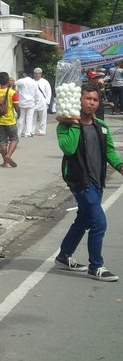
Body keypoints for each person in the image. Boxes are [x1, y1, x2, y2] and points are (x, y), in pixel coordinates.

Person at [54, 83, 123, 282]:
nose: (92, 103)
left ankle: (64, 255)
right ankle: (96, 266)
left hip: (96, 181)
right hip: (79, 181)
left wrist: (120, 166)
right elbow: (68, 149)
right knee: (98, 222)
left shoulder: (101, 126)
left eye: (95, 99)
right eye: (88, 98)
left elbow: (109, 150)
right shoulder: (65, 125)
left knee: (83, 219)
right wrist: (75, 123)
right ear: (79, 100)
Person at [0, 71, 20, 168]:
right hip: (10, 120)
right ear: (8, 81)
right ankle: (9, 156)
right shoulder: (12, 93)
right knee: (14, 139)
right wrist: (19, 114)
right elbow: (16, 107)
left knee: (2, 142)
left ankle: (5, 162)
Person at [14, 70, 39, 138]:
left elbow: (14, 84)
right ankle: (28, 132)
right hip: (31, 102)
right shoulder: (34, 82)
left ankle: (19, 132)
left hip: (22, 102)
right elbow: (37, 93)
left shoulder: (21, 81)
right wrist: (36, 102)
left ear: (25, 74)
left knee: (21, 117)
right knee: (29, 118)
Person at [32, 67, 52, 136]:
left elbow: (49, 92)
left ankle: (42, 131)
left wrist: (47, 102)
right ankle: (32, 130)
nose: (35, 75)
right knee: (32, 117)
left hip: (43, 102)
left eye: (37, 74)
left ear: (40, 74)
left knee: (43, 118)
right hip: (33, 102)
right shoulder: (32, 81)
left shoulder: (45, 82)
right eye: (34, 74)